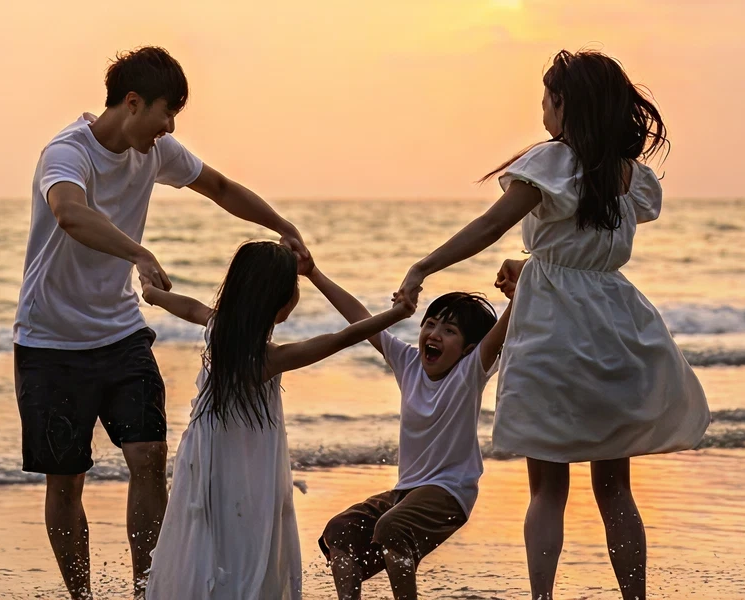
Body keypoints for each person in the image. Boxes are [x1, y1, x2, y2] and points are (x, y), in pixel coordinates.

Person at [395, 50, 710, 599]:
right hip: (618, 328)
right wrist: (537, 264)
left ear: (565, 104)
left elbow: (493, 223)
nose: (542, 111)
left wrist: (425, 266)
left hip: (552, 334)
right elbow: (584, 250)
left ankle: (542, 597)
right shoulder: (627, 173)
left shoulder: (551, 160)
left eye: (547, 99)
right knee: (614, 488)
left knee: (548, 488)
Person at [13, 46, 309, 599]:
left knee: (149, 459)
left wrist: (282, 222)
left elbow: (220, 188)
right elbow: (69, 213)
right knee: (66, 481)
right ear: (132, 103)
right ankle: (83, 597)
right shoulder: (66, 153)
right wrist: (140, 255)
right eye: (166, 112)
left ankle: (148, 590)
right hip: (50, 341)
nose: (170, 126)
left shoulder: (157, 152)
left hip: (122, 332)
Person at [142, 241, 416, 599]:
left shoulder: (220, 330)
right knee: (247, 534)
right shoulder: (267, 359)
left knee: (210, 531)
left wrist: (151, 294)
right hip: (245, 463)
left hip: (205, 454)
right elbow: (342, 338)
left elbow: (191, 307)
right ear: (280, 300)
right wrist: (398, 313)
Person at [311, 260, 511, 600]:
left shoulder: (470, 372)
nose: (433, 334)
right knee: (339, 530)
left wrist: (519, 291)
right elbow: (360, 318)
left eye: (449, 331)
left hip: (450, 491)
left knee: (392, 527)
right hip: (405, 492)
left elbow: (497, 337)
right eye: (430, 324)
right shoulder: (408, 363)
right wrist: (313, 273)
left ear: (468, 349)